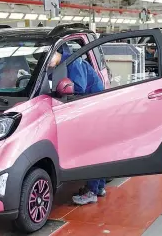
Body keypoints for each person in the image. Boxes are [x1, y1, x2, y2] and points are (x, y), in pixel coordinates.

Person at [48, 43, 106, 205]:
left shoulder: (74, 63)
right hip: (91, 108)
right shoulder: (64, 63)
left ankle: (91, 192)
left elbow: (77, 87)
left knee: (91, 150)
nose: (46, 62)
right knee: (96, 148)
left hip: (92, 109)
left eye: (48, 57)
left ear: (58, 53)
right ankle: (99, 187)